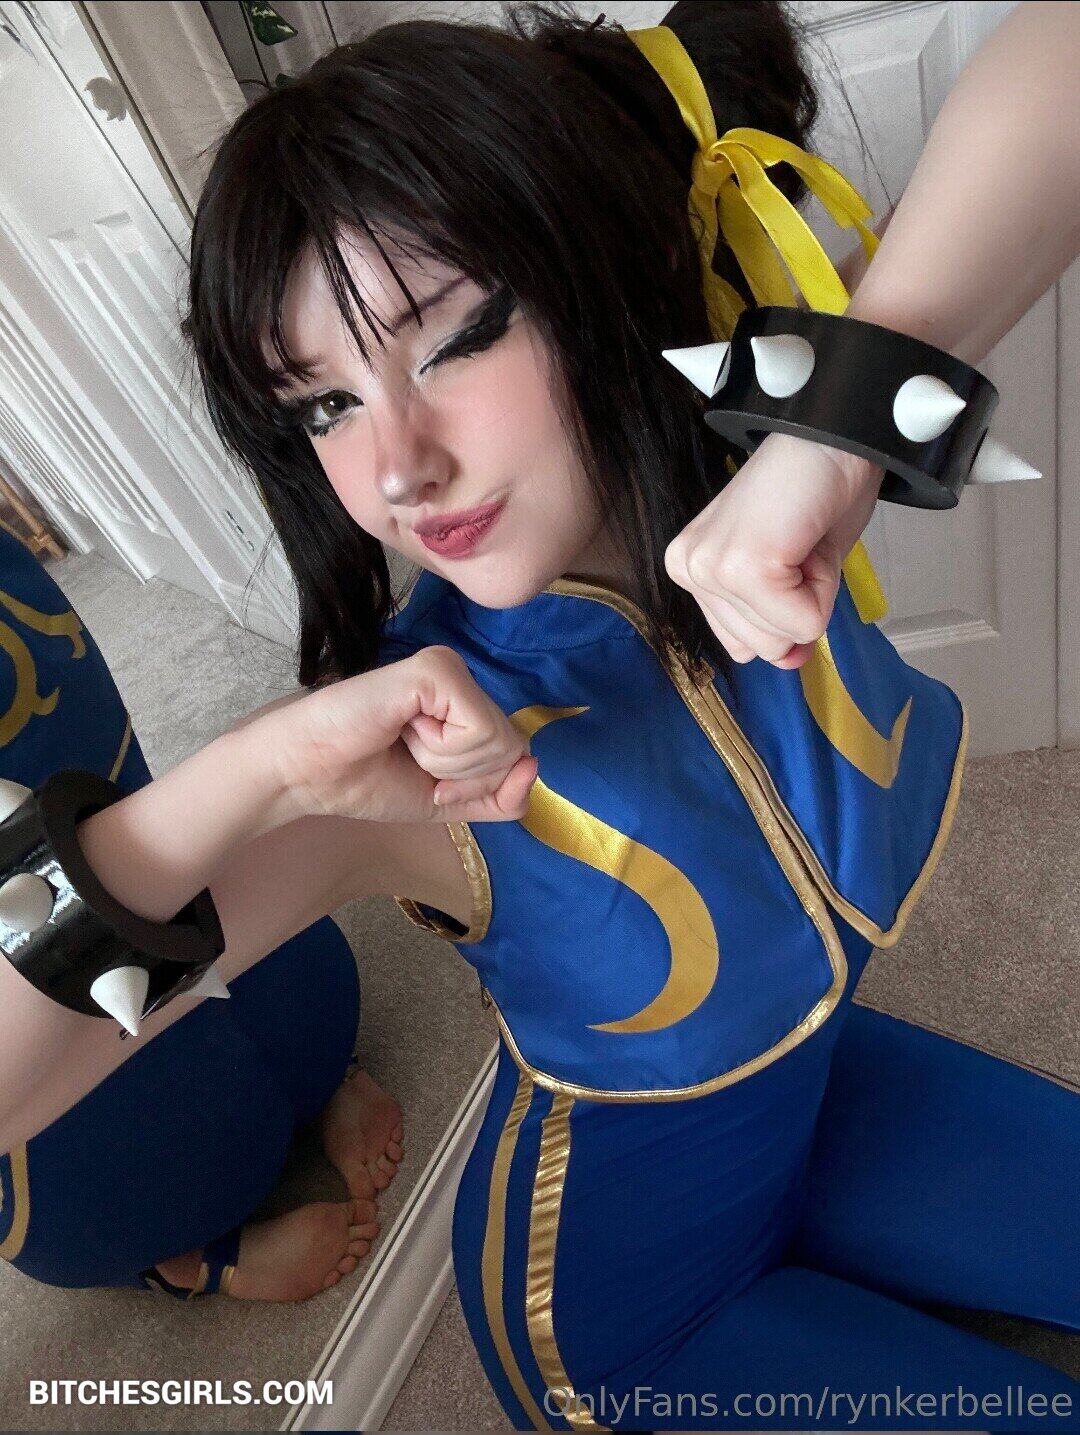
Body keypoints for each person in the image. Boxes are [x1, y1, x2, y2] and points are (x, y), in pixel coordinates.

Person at [2, 0, 1077, 1427]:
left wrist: (845, 431)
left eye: (454, 338)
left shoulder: (764, 461)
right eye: (322, 406)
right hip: (633, 1308)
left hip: (821, 1089)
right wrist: (248, 772)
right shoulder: (411, 763)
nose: (397, 467)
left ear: (589, 268)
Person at [0, 523, 404, 1301]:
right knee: (111, 1194)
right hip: (67, 1132)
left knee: (306, 1003)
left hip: (191, 928)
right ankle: (186, 1258)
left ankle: (325, 1077)